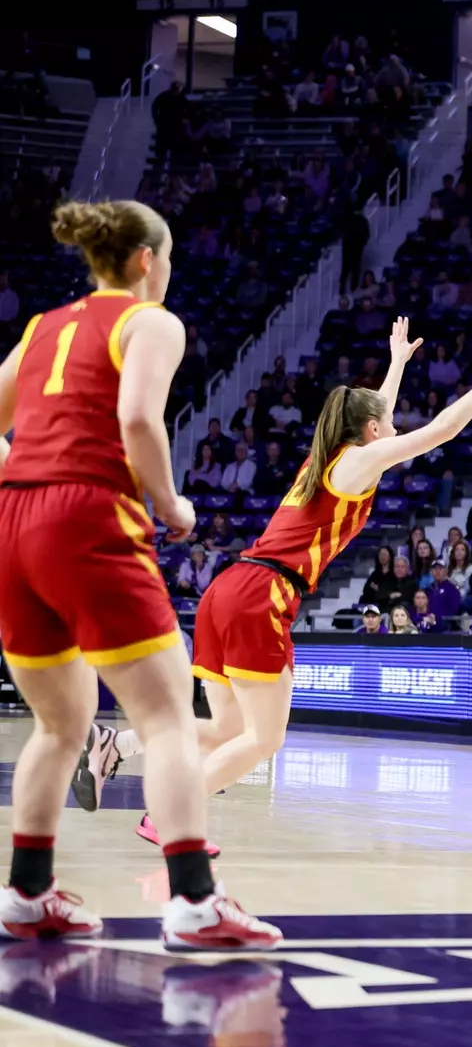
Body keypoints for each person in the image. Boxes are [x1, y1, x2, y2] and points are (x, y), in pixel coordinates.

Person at [79, 319, 472, 857]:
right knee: (266, 739)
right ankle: (171, 816)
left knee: (228, 730)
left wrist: (397, 363)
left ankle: (115, 745)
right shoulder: (359, 460)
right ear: (372, 430)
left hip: (230, 587)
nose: (394, 425)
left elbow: (374, 411)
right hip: (262, 594)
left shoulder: (327, 457)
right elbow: (440, 431)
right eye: (388, 421)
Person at [3, 200, 277, 948]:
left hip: (15, 522)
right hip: (89, 515)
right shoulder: (149, 321)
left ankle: (27, 893)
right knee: (166, 719)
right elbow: (136, 419)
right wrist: (170, 501)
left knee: (60, 725)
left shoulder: (43, 327)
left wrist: (25, 483)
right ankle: (194, 902)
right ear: (147, 260)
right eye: (171, 258)